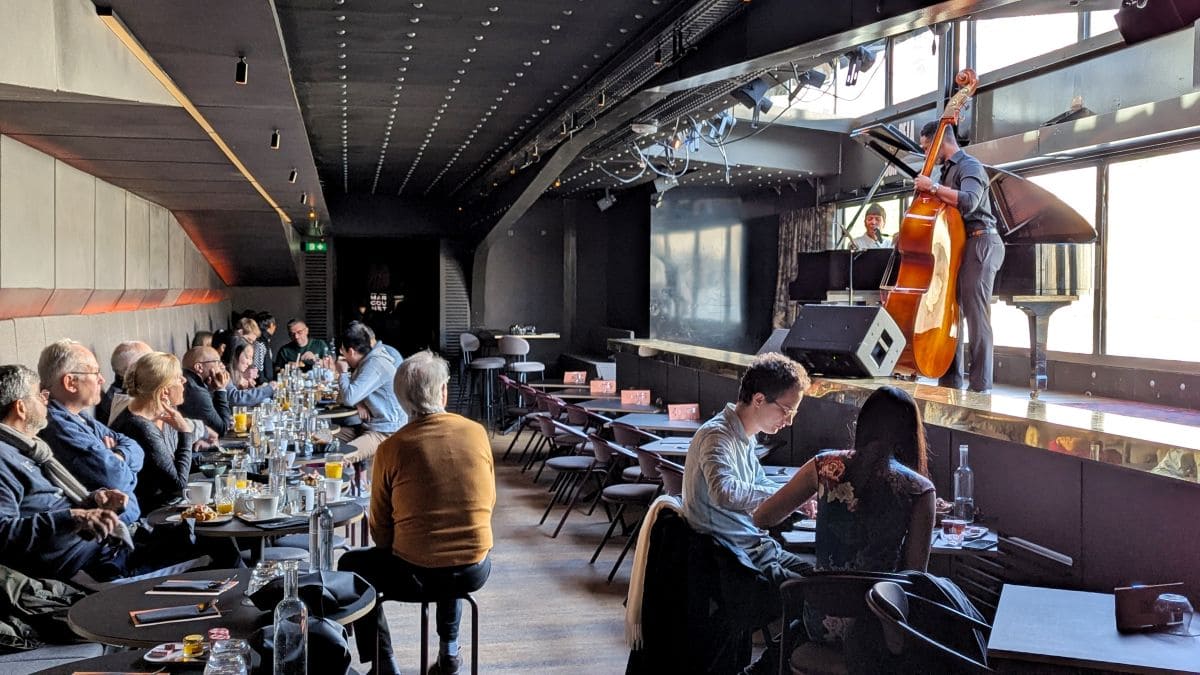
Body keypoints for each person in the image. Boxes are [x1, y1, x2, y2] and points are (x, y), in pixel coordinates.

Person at [339, 350, 494, 675]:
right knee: (451, 552)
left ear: (400, 399)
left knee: (350, 565)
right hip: (475, 568)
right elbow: (487, 502)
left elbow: (380, 530)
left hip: (415, 574)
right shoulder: (476, 433)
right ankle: (450, 650)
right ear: (443, 392)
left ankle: (384, 663)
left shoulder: (392, 448)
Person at [754, 386, 935, 644]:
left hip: (821, 620)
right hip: (880, 625)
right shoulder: (920, 489)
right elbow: (915, 576)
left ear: (863, 423)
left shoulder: (825, 466)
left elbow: (763, 517)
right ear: (910, 433)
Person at [681, 352, 813, 675]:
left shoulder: (745, 439)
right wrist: (789, 494)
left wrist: (793, 499)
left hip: (756, 550)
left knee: (822, 584)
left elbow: (762, 495)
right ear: (758, 399)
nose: (789, 420)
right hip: (733, 563)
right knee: (818, 598)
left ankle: (766, 667)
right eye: (786, 410)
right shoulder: (718, 436)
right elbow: (725, 492)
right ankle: (766, 669)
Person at [0, 365, 132, 580]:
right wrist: (73, 518)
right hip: (83, 570)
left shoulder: (32, 448)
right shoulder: (4, 458)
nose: (46, 401)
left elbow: (49, 502)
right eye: (40, 395)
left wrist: (94, 501)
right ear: (21, 408)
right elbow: (3, 533)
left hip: (103, 550)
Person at [916, 120, 1005, 393]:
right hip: (961, 245)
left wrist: (932, 188)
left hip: (982, 243)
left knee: (976, 316)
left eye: (928, 148)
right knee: (952, 314)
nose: (926, 154)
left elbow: (969, 201)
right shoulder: (945, 172)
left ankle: (981, 387)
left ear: (941, 141)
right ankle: (950, 382)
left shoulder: (970, 165)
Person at [38, 340, 145, 525]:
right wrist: (120, 466)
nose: (102, 379)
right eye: (95, 373)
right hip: (110, 539)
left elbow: (136, 448)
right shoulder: (58, 425)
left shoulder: (81, 417)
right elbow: (117, 478)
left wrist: (116, 455)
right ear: (71, 382)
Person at [110, 353, 201, 514]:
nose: (185, 381)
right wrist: (185, 432)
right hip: (153, 513)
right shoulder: (142, 427)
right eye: (179, 378)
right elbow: (177, 486)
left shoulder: (140, 414)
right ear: (165, 392)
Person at [335, 322, 406, 464]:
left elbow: (348, 398)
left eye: (342, 353)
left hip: (385, 431)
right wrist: (359, 402)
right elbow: (341, 399)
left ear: (351, 351)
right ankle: (355, 485)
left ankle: (345, 485)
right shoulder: (365, 362)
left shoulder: (375, 364)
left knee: (336, 459)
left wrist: (342, 372)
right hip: (368, 425)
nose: (342, 358)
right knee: (319, 440)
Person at [179, 346, 232, 436]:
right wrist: (221, 390)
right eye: (217, 362)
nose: (222, 366)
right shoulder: (196, 391)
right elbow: (222, 429)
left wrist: (212, 389)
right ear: (199, 367)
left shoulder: (191, 381)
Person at [96, 341, 152, 426]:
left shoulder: (119, 394)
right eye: (150, 363)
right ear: (133, 368)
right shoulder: (123, 402)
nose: (155, 369)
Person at [224, 339, 275, 407]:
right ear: (235, 354)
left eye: (251, 358)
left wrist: (258, 389)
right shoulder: (223, 372)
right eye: (247, 357)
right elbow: (236, 398)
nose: (250, 363)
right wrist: (268, 389)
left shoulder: (238, 374)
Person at [255, 313, 277, 384]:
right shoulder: (260, 342)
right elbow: (258, 365)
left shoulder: (265, 340)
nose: (275, 327)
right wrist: (263, 383)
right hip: (263, 383)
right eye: (274, 325)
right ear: (271, 325)